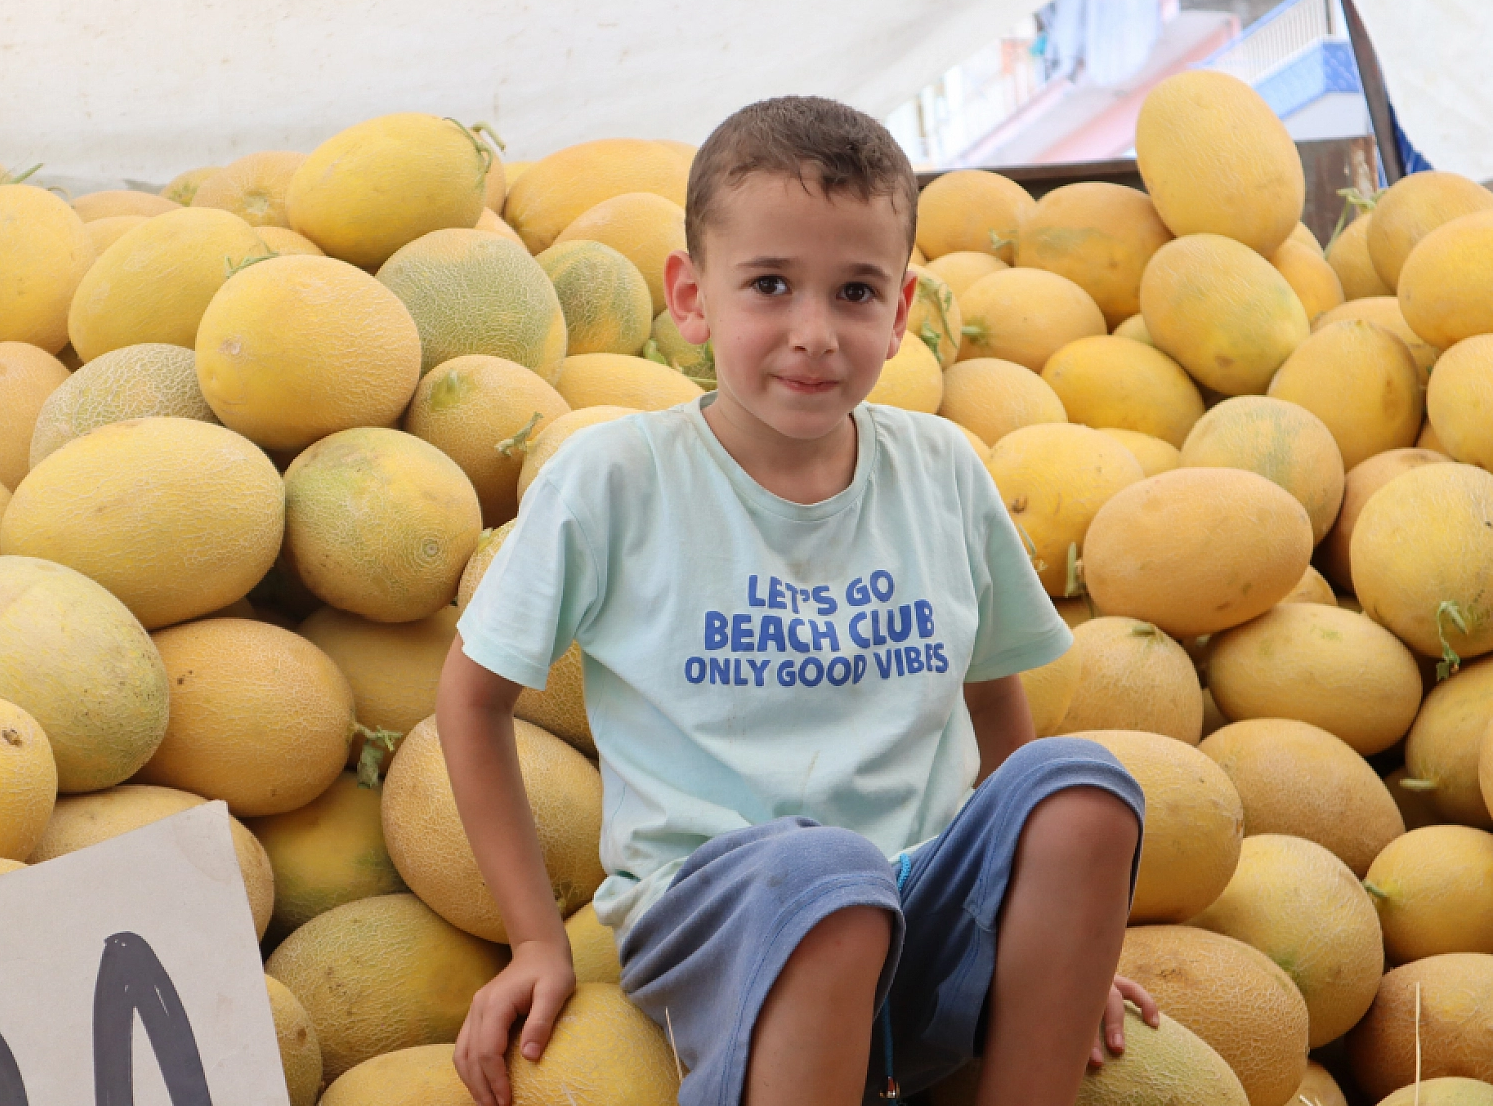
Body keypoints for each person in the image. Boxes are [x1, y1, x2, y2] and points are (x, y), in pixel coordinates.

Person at [437, 94, 1155, 1106]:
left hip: (916, 892)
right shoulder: (614, 479)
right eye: (769, 285)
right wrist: (531, 938)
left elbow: (993, 696)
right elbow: (469, 699)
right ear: (689, 297)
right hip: (716, 910)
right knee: (828, 881)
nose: (813, 333)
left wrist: (1049, 936)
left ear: (901, 312)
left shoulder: (944, 470)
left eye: (855, 292)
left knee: (1083, 785)